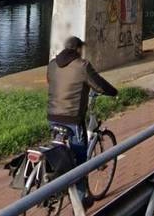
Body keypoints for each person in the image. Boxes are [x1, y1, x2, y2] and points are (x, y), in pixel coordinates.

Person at [47, 36, 119, 206]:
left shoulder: (51, 65)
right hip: (73, 118)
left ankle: (57, 184)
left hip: (52, 116)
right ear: (78, 50)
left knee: (59, 153)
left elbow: (51, 81)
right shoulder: (82, 65)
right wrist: (114, 92)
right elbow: (99, 85)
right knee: (80, 162)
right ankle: (80, 201)